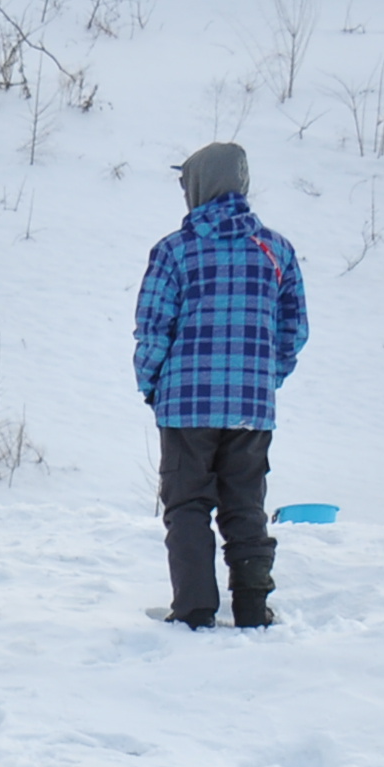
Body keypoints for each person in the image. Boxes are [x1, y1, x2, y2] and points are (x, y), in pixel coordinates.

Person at [134, 142, 309, 629]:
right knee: (245, 505)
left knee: (187, 506)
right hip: (251, 408)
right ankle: (253, 608)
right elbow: (294, 329)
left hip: (186, 405)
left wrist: (152, 385)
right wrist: (264, 379)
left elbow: (153, 328)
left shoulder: (175, 251)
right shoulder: (277, 250)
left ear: (198, 187)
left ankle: (194, 612)